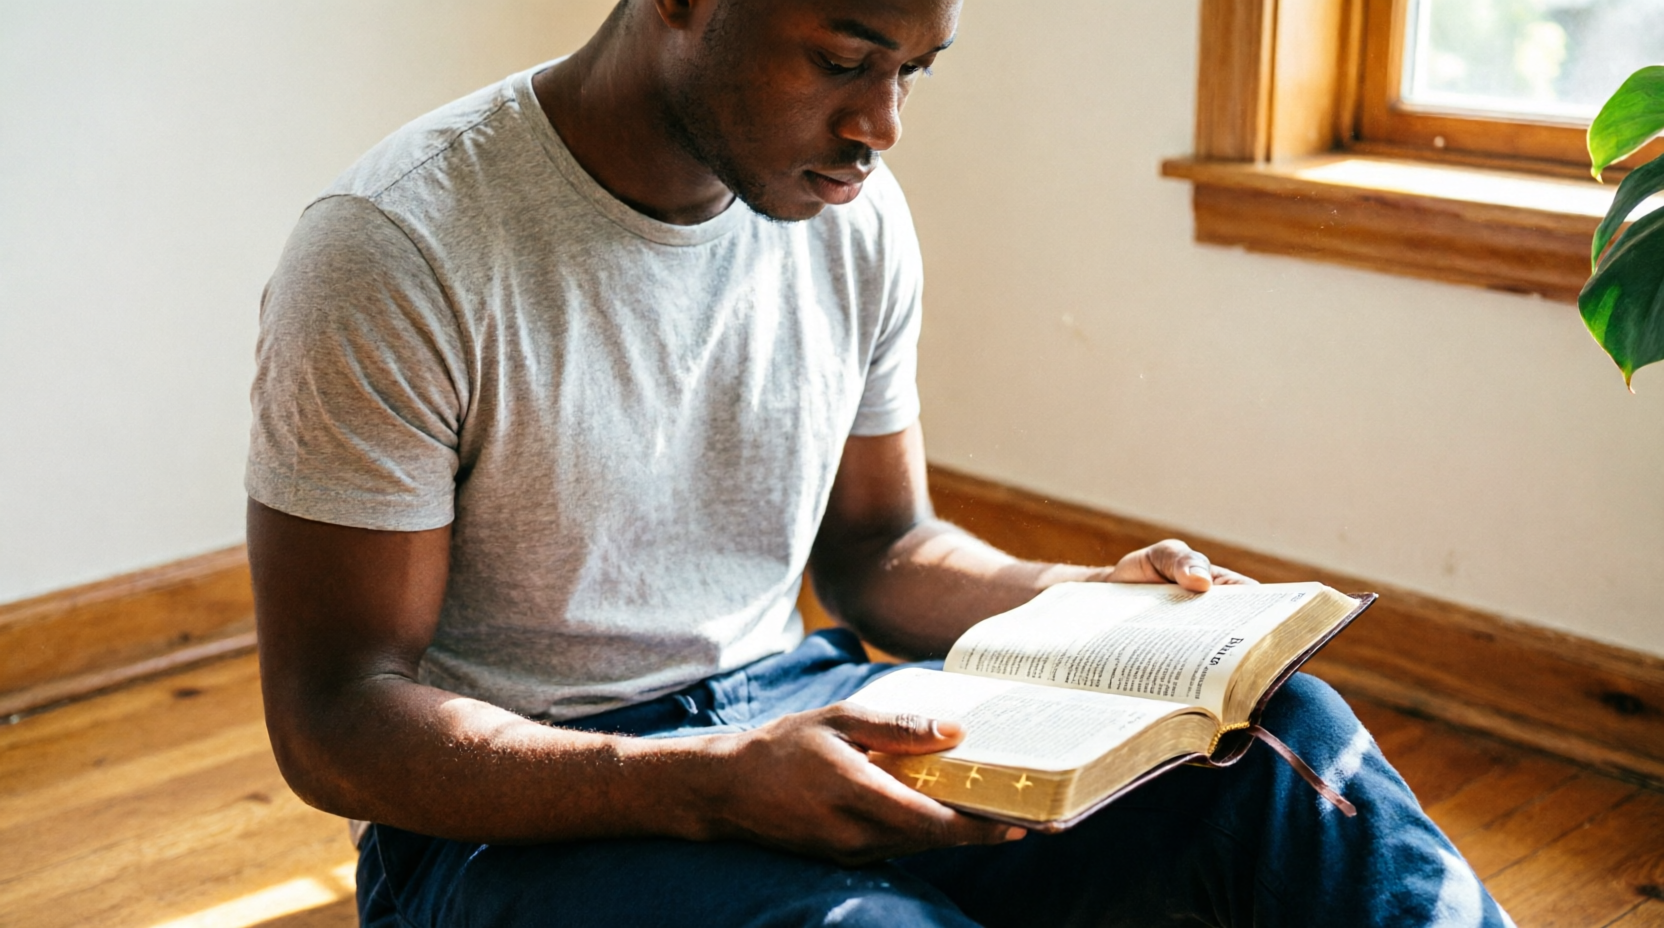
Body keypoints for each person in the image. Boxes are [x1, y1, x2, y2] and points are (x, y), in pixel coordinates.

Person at [245, 0, 1517, 924]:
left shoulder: (841, 211)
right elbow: (334, 715)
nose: (882, 126)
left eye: (914, 69)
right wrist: (706, 787)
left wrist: (1090, 604)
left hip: (790, 710)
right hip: (502, 822)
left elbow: (878, 550)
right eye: (846, 59)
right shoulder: (396, 248)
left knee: (1268, 739)